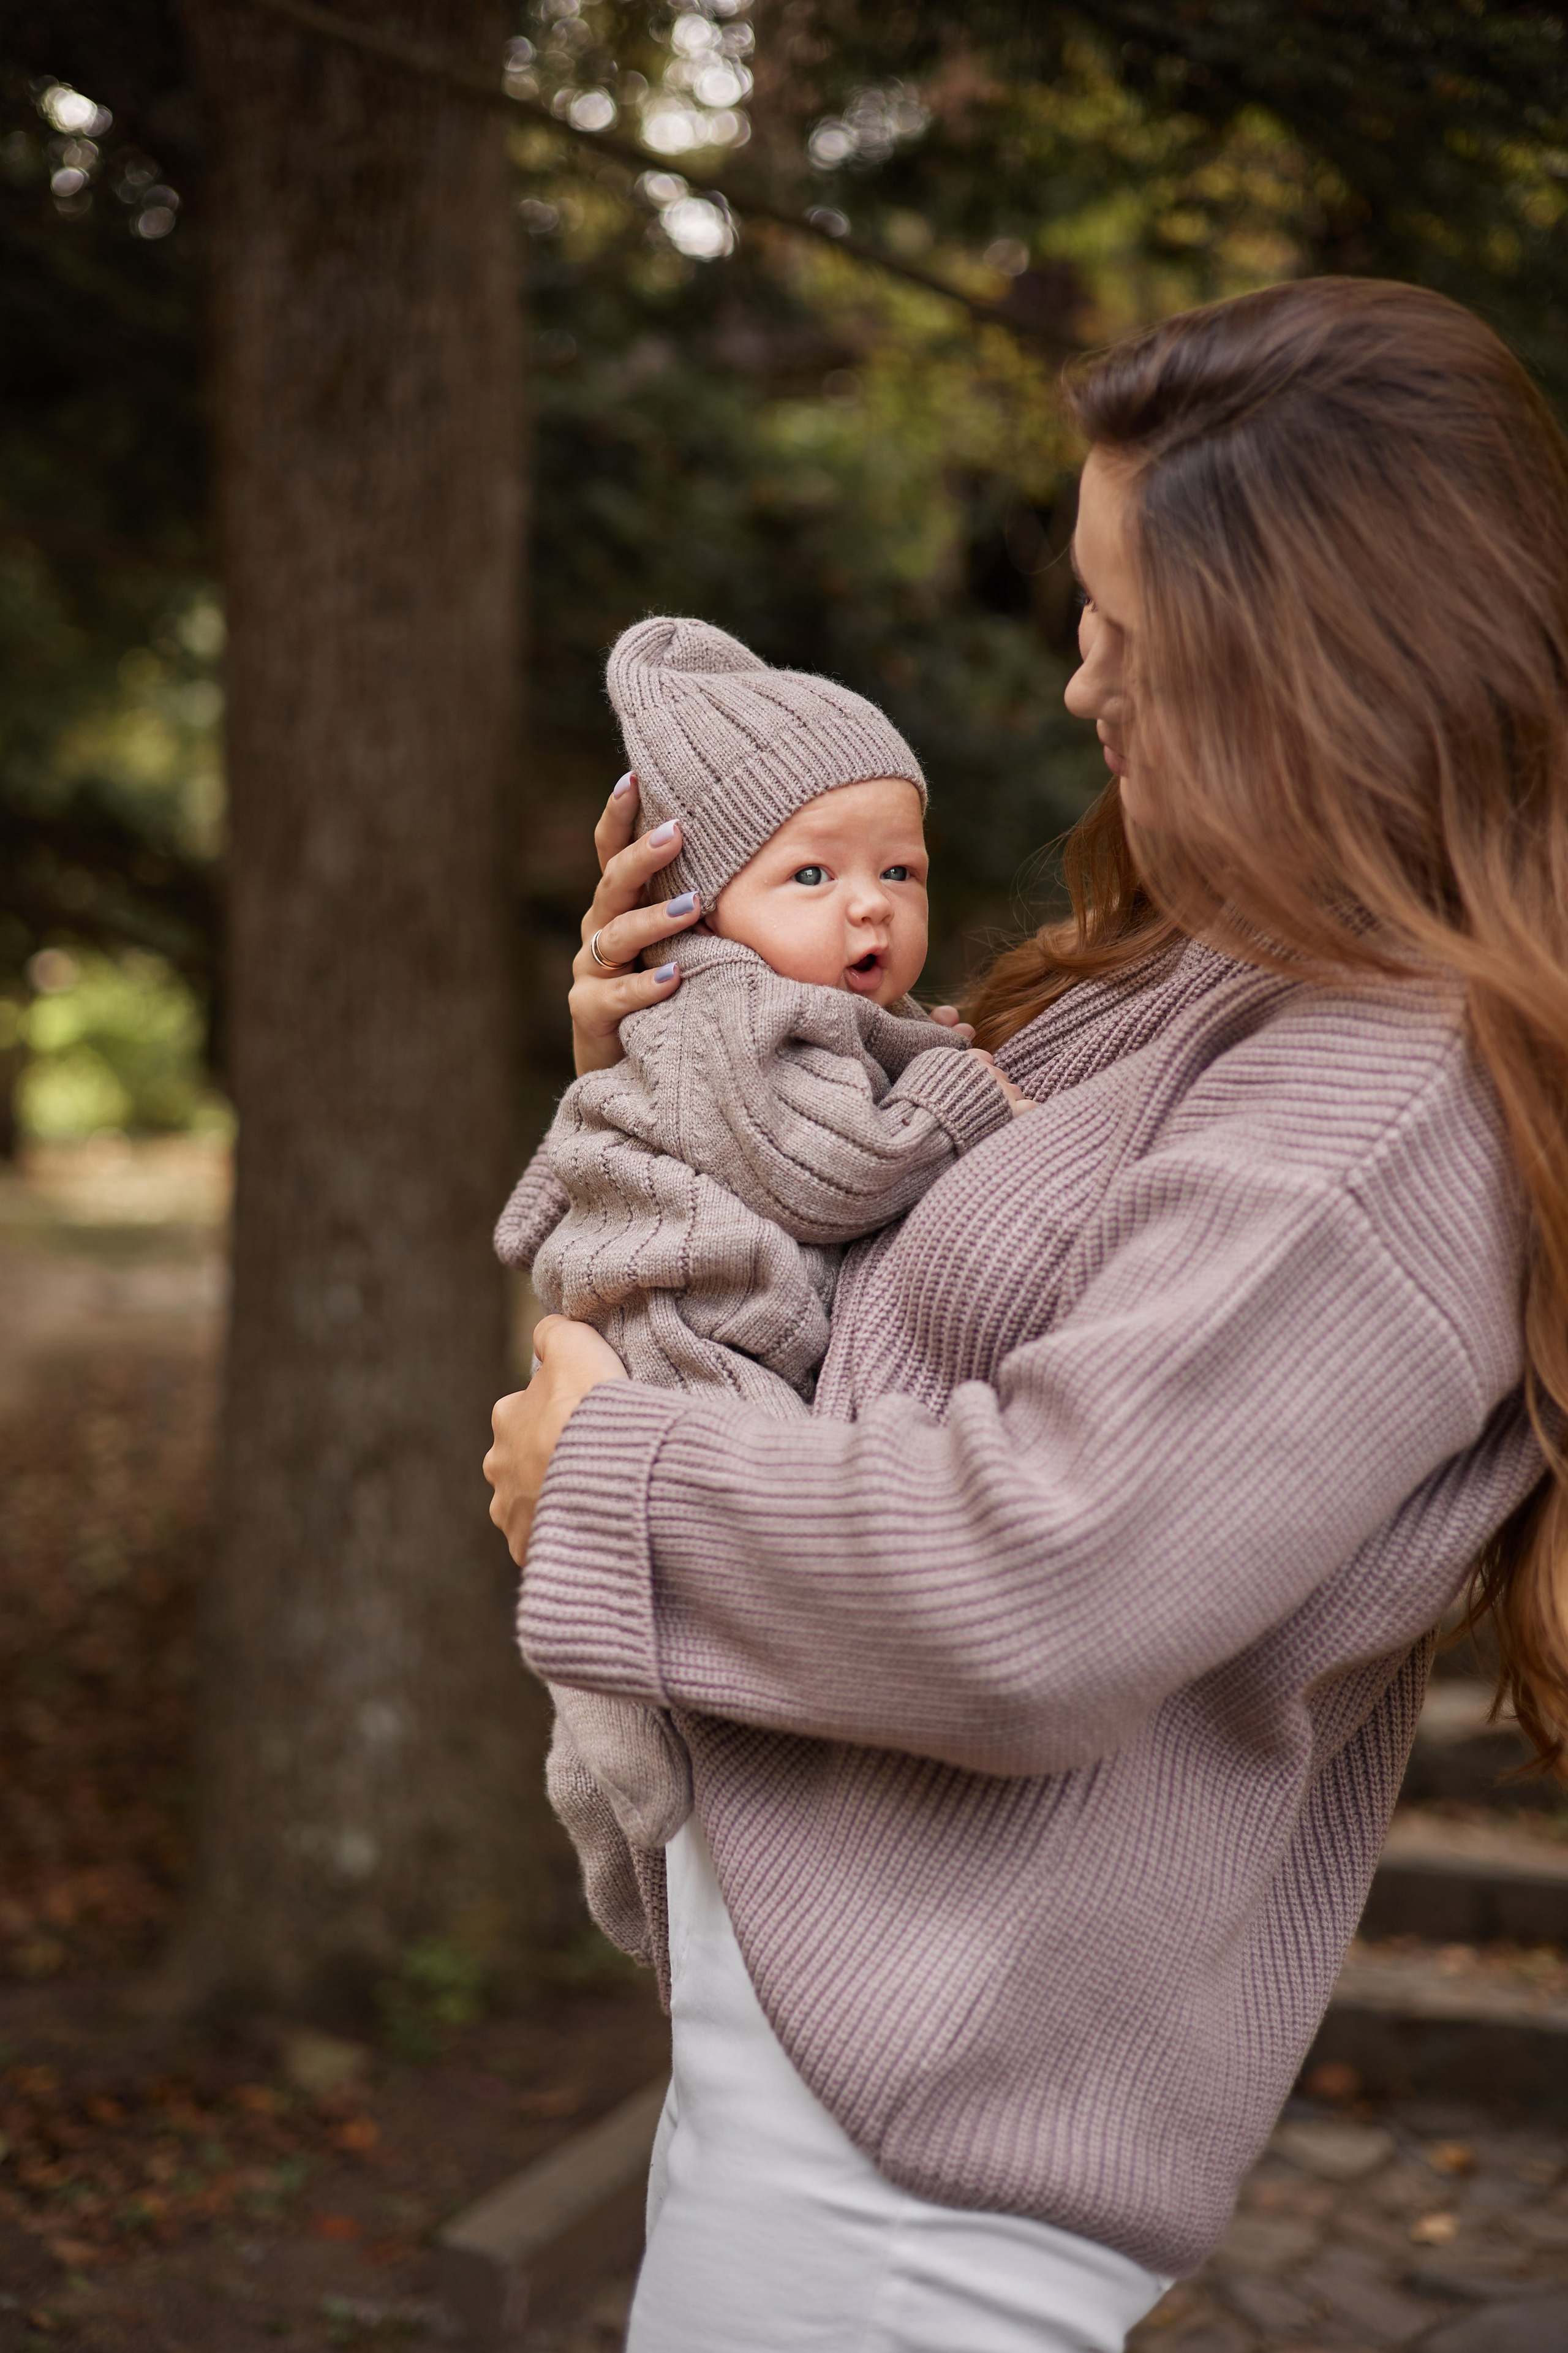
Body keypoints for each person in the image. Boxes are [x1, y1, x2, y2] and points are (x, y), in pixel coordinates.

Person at [484, 276, 1568, 2352]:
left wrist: (604, 1480)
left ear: (1302, 672)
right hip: (836, 2060)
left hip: (914, 2179)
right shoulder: (1208, 977)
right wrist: (688, 1043)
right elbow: (861, 1255)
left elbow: (1045, 1572)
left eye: (1125, 630)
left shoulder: (1379, 1099)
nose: (1081, 683)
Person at [496, 613, 1021, 1926]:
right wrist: (959, 1102)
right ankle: (622, 1780)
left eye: (899, 869)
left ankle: (623, 1790)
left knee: (651, 1601)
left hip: (705, 1300)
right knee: (659, 1587)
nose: (869, 903)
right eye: (810, 874)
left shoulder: (809, 1009)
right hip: (688, 1308)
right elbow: (825, 1175)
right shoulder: (726, 1001)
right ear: (704, 902)